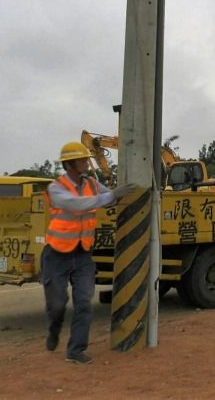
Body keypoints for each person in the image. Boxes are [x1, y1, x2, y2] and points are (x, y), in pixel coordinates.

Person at [42, 141, 136, 364]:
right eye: (83, 159)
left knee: (84, 302)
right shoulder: (56, 188)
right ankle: (54, 330)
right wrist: (111, 195)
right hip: (57, 253)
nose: (87, 162)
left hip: (83, 253)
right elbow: (78, 205)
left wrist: (119, 193)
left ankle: (75, 350)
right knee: (57, 305)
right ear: (70, 164)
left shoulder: (92, 184)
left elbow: (110, 197)